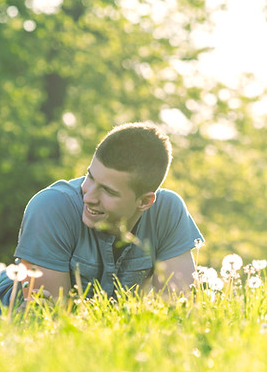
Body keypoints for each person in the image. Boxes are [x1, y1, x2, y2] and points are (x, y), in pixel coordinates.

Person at [12, 121, 203, 300]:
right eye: (90, 177)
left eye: (107, 191)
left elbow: (180, 307)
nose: (88, 197)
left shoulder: (167, 211)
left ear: (145, 201)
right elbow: (50, 317)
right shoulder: (51, 207)